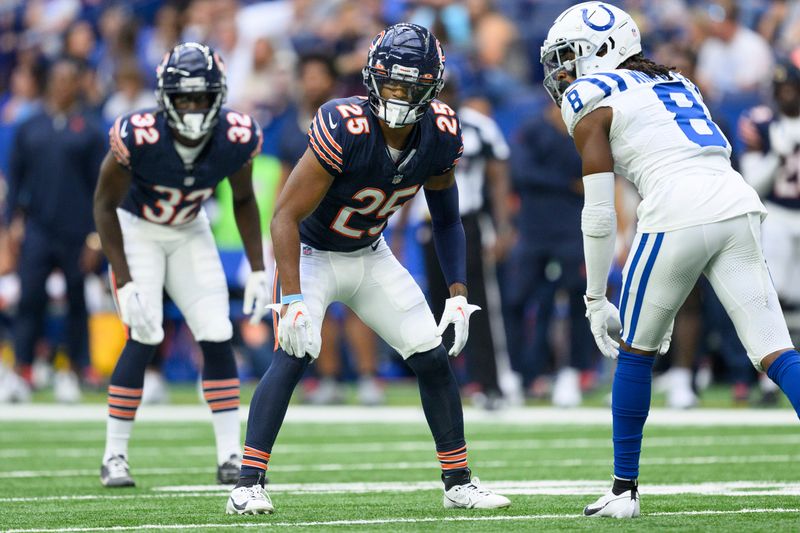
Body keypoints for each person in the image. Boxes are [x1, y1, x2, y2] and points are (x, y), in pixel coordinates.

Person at [225, 23, 510, 515]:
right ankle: (247, 483)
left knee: (430, 355)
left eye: (411, 85)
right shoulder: (345, 124)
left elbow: (447, 218)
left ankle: (458, 481)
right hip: (312, 253)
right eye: (392, 83)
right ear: (373, 78)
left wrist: (458, 293)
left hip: (369, 253)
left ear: (433, 87)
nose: (400, 95)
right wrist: (291, 298)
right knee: (293, 354)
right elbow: (284, 216)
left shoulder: (440, 133)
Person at [540, 1, 800, 518]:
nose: (564, 69)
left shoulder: (589, 96)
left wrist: (595, 297)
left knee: (636, 352)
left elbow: (598, 213)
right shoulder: (678, 81)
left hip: (676, 212)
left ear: (603, 50)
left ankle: (623, 491)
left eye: (571, 55)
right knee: (777, 352)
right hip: (738, 203)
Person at [93, 42, 270, 488]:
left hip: (190, 229)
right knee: (145, 329)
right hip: (139, 229)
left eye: (202, 97)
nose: (193, 107)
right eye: (184, 97)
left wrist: (256, 267)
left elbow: (245, 198)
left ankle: (231, 455)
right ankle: (114, 455)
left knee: (217, 330)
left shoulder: (237, 136)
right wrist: (126, 279)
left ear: (219, 96)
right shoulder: (138, 135)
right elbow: (103, 204)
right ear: (165, 98)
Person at [276, 53, 384, 407]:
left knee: (359, 308)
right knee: (314, 311)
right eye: (306, 76)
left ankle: (368, 377)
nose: (312, 83)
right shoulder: (292, 129)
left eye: (318, 75)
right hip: (310, 232)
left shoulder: (352, 122)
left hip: (353, 223)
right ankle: (329, 377)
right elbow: (282, 188)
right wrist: (275, 230)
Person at [4, 57, 106, 404]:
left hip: (77, 231)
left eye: (69, 79)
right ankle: (23, 369)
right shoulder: (30, 126)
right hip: (38, 228)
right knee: (30, 297)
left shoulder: (91, 128)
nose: (62, 85)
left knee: (77, 300)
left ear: (78, 84)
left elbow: (102, 188)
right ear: (48, 82)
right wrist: (9, 227)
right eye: (58, 78)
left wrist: (97, 236)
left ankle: (75, 368)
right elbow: (15, 181)